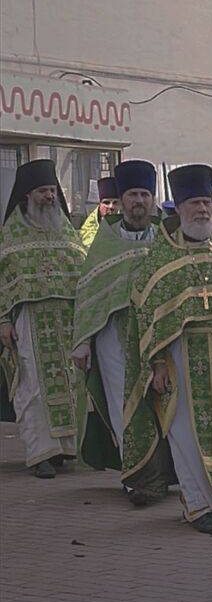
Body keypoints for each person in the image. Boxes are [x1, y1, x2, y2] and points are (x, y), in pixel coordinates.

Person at [123, 163, 212, 535]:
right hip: (179, 356)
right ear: (179, 208)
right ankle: (197, 505)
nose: (202, 210)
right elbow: (147, 314)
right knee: (184, 432)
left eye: (207, 202)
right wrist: (157, 362)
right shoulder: (161, 256)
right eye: (194, 203)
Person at [71, 159, 171, 505]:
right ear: (122, 199)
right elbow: (89, 294)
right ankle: (136, 476)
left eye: (144, 194)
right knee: (122, 404)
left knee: (165, 402)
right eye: (132, 195)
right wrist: (83, 341)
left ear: (152, 198)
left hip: (160, 335)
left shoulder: (167, 238)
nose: (139, 201)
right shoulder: (105, 241)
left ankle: (166, 472)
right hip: (114, 336)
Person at [0, 161, 84, 477]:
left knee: (69, 384)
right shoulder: (10, 236)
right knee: (33, 387)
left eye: (52, 190)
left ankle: (63, 447)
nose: (50, 196)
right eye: (43, 191)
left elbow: (83, 272)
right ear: (27, 195)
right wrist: (3, 320)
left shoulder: (66, 230)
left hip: (68, 320)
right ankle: (40, 454)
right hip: (29, 321)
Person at [79, 177, 121, 248]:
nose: (111, 207)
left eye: (115, 203)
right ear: (99, 205)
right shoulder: (88, 229)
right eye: (106, 203)